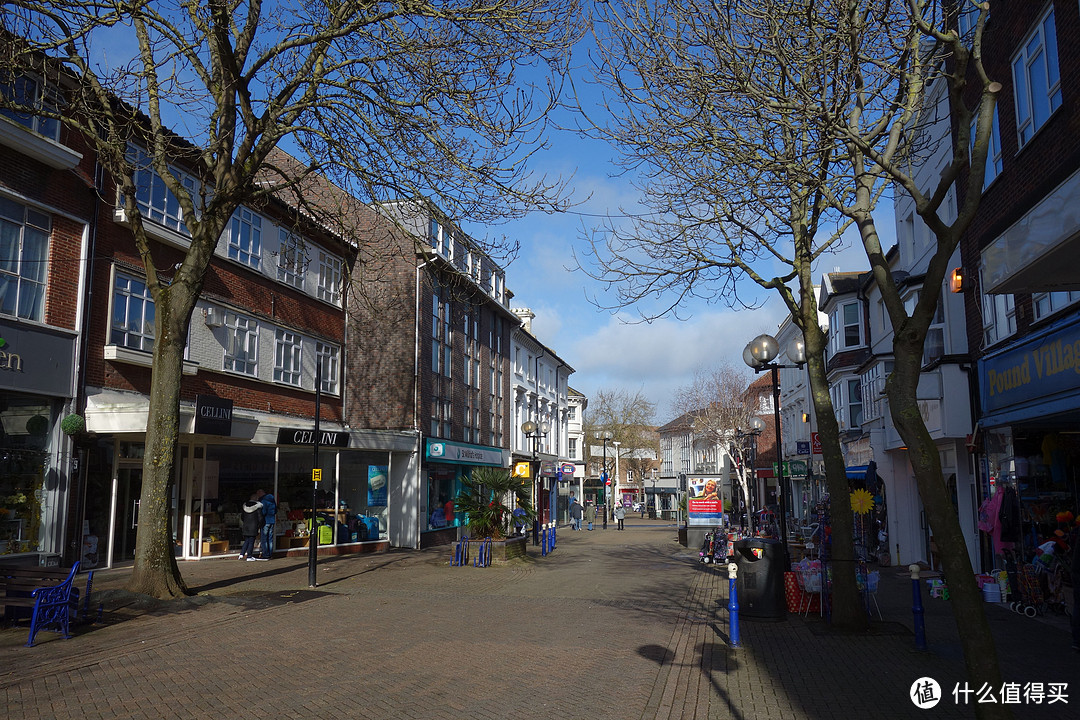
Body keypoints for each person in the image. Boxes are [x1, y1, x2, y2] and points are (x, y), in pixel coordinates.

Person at [252, 488, 276, 561]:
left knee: (264, 538)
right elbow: (275, 510)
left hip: (265, 521)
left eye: (258, 494)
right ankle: (270, 553)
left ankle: (266, 554)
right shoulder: (272, 500)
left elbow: (263, 511)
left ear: (260, 493)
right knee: (270, 538)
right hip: (272, 520)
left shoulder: (264, 500)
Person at [238, 493, 263, 560]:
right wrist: (259, 525)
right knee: (251, 541)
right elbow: (260, 518)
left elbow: (242, 517)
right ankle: (249, 556)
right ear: (256, 498)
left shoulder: (244, 506)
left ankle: (241, 554)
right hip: (253, 526)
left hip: (246, 526)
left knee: (246, 540)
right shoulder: (258, 507)